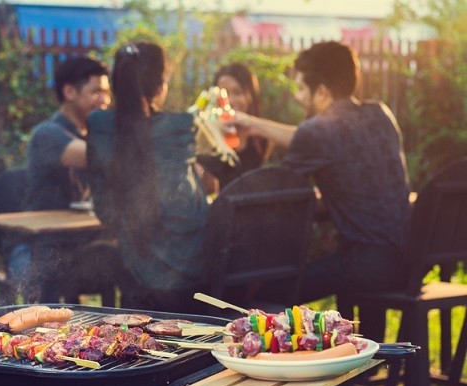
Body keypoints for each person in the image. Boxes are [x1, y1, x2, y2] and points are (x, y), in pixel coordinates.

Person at [231, 41, 412, 329]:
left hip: (367, 265)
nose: (297, 96)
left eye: (301, 88)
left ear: (323, 91)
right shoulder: (380, 114)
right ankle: (367, 364)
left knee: (262, 295)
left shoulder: (317, 131)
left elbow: (281, 193)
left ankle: (276, 363)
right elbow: (327, 144)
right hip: (408, 260)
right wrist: (253, 124)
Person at [86, 42, 211, 313]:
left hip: (134, 272)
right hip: (188, 277)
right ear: (160, 85)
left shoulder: (99, 125)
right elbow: (185, 210)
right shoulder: (178, 128)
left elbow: (105, 210)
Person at [12, 56, 111, 303]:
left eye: (107, 93)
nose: (104, 100)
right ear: (69, 91)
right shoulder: (48, 133)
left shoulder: (93, 135)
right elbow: (94, 157)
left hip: (78, 245)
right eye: (96, 92)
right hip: (38, 248)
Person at [198, 63, 271, 189]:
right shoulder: (206, 134)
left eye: (237, 93)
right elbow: (209, 190)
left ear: (251, 96)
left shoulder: (263, 137)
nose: (230, 101)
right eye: (223, 94)